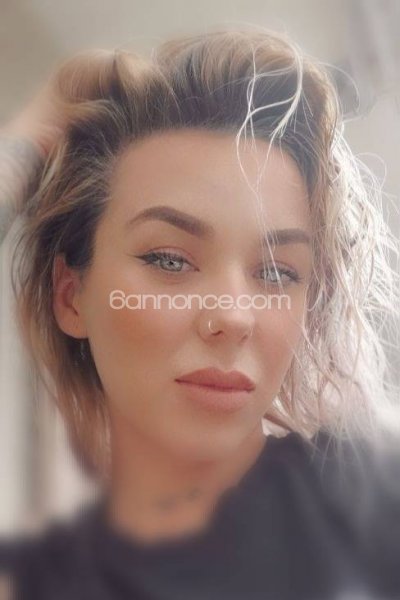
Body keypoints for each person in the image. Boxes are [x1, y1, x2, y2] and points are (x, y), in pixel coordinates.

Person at [0, 25, 399, 600]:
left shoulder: (376, 496)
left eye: (277, 272)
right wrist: (37, 127)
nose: (234, 317)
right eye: (169, 259)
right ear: (70, 297)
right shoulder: (39, 583)